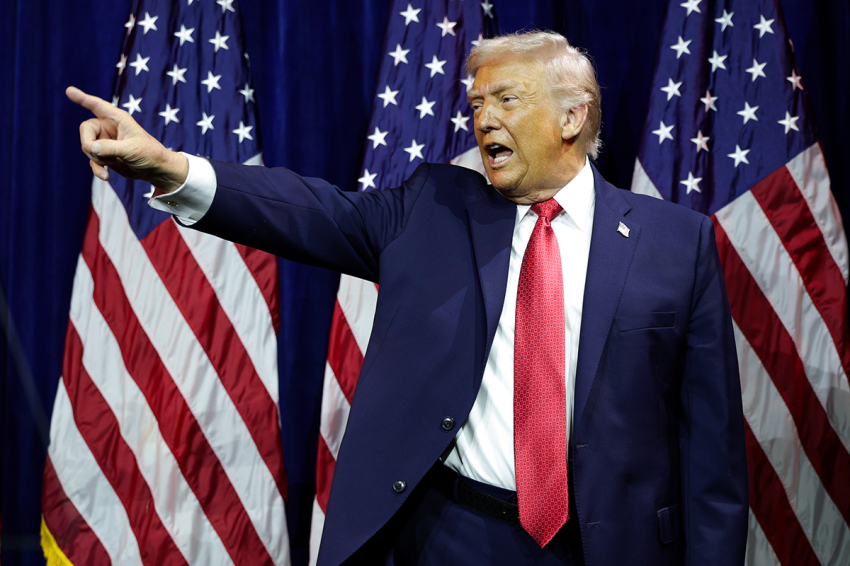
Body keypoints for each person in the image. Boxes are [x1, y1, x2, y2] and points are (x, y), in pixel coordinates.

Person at [69, 31, 748, 566]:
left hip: (611, 546)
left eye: (507, 100)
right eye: (476, 104)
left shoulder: (676, 243)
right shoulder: (434, 210)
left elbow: (711, 453)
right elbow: (308, 211)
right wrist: (170, 167)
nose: (484, 119)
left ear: (571, 116)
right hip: (453, 536)